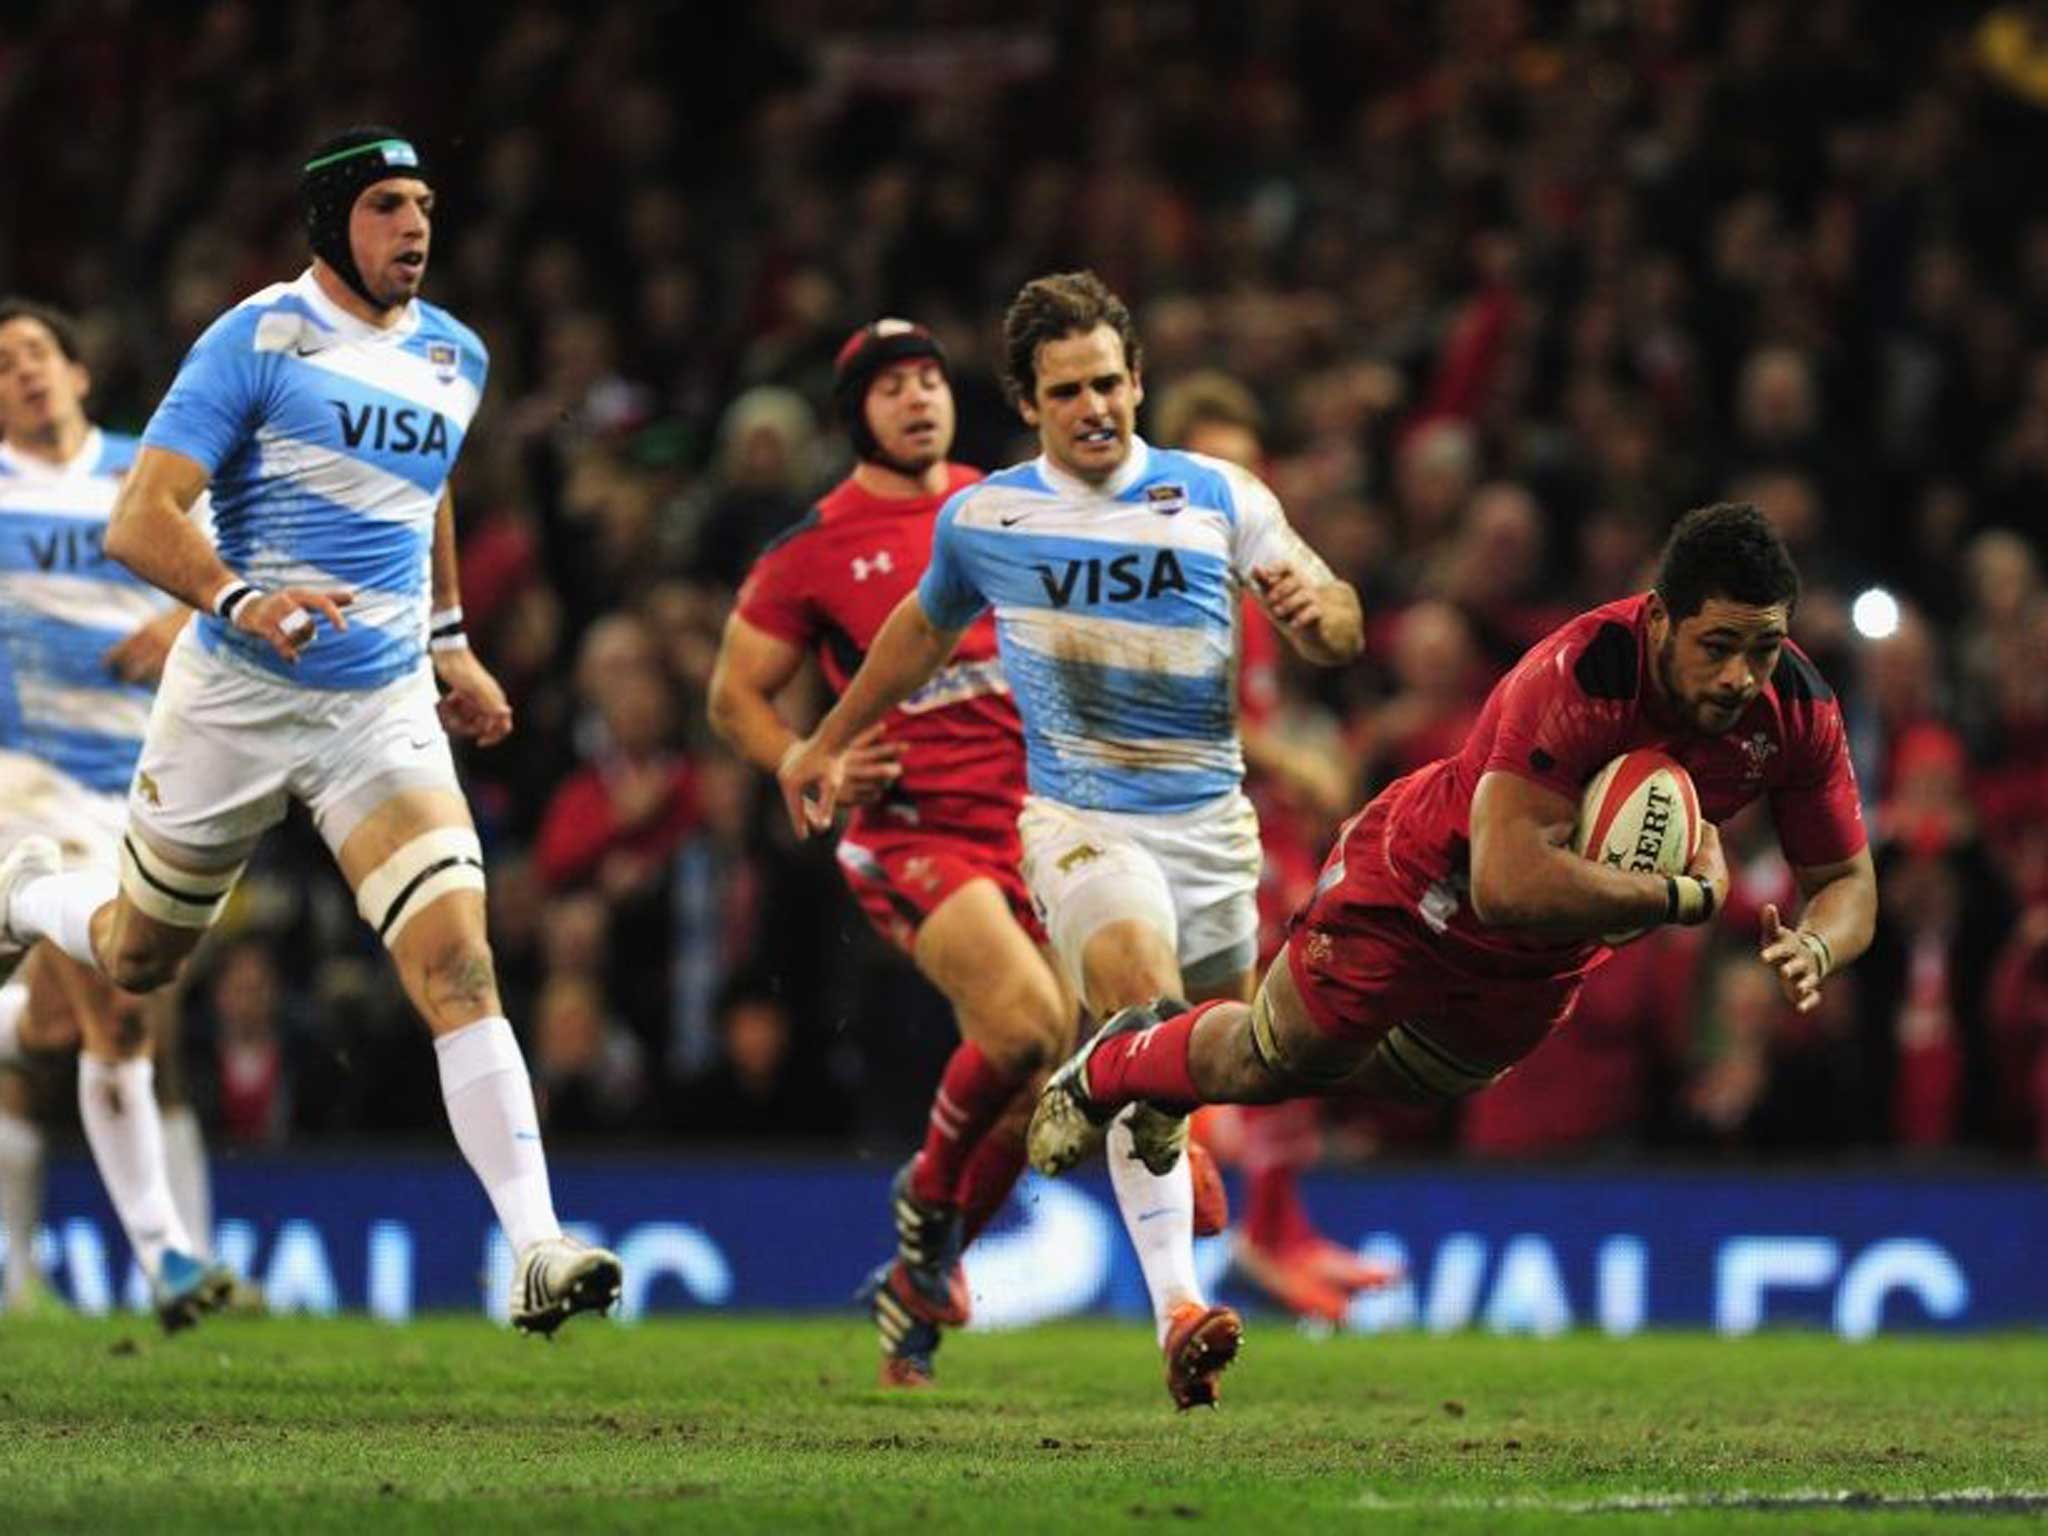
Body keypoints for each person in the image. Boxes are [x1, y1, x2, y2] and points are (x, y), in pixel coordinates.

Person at [0, 128, 620, 1334]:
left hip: (375, 710)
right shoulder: (256, 337)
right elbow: (142, 520)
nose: (418, 229)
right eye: (390, 207)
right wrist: (247, 597)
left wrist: (447, 640)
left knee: (458, 963)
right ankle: (26, 893)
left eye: (427, 206)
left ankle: (536, 1248)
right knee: (134, 959)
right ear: (335, 222)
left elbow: (427, 489)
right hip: (233, 697)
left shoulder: (455, 355)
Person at [778, 274, 1364, 1406]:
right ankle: (1177, 1312)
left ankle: (1099, 1082)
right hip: (1080, 824)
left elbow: (1333, 611)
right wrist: (824, 739)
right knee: (1146, 1015)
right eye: (1065, 391)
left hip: (1210, 830)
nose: (1093, 405)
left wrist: (1318, 618)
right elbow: (915, 634)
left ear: (1136, 381)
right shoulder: (990, 516)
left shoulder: (1213, 493)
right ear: (1029, 405)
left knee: (1215, 1058)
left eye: (1107, 382)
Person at [1028, 504, 1878, 1214]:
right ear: (1660, 617)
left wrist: (1817, 946)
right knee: (1276, 1060)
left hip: (1547, 957)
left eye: (1762, 649)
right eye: (1718, 645)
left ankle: (1176, 1064)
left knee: (1413, 1085)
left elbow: (1846, 883)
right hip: (1423, 887)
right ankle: (1121, 1062)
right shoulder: (1579, 675)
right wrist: (1679, 898)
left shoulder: (1797, 709)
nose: (1740, 676)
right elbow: (1509, 886)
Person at [708, 319, 1074, 1386]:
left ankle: (921, 1278)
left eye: (929, 380)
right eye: (890, 388)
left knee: (1034, 1073)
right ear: (854, 416)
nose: (918, 400)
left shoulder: (1012, 503)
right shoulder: (813, 547)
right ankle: (925, 1199)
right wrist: (803, 761)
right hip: (910, 830)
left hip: (1033, 829)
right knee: (1023, 1024)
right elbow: (734, 694)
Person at [0, 296, 237, 1328]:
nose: (24, 374)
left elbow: (237, 586)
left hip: (140, 785)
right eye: (2, 365)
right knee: (120, 1003)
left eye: (37, 353)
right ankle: (168, 1262)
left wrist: (175, 618)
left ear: (80, 370)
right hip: (20, 779)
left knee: (65, 1022)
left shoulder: (151, 478)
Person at [1150, 371, 1395, 1322]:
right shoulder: (1165, 578)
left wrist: (1302, 745)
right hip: (1193, 827)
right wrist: (1289, 757)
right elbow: (1178, 715)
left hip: (1256, 823)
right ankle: (1230, 1225)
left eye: (1251, 471)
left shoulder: (1247, 585)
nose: (1238, 490)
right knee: (1250, 1020)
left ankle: (1275, 1226)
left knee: (1303, 1010)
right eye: (1219, 469)